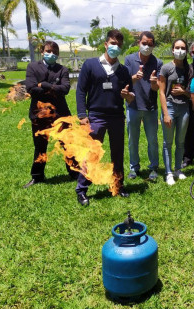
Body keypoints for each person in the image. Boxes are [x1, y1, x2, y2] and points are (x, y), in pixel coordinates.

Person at [75, 29, 135, 206]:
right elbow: (80, 91)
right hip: (96, 116)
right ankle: (82, 189)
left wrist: (127, 96)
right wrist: (82, 115)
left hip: (117, 117)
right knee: (92, 154)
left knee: (118, 154)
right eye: (112, 43)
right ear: (106, 44)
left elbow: (131, 97)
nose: (115, 47)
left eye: (118, 44)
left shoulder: (124, 71)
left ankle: (118, 186)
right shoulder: (90, 65)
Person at [24, 40, 76, 188]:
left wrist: (44, 85)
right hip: (40, 115)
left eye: (54, 52)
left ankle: (74, 172)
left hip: (60, 114)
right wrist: (54, 88)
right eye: (48, 51)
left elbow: (65, 90)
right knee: (40, 147)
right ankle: (37, 176)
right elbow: (31, 89)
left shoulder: (63, 70)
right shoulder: (32, 67)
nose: (51, 54)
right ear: (42, 52)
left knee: (68, 145)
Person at [124, 31, 163, 180]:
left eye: (150, 44)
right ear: (138, 43)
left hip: (150, 107)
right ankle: (134, 168)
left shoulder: (157, 62)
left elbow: (156, 87)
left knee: (152, 140)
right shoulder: (129, 60)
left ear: (153, 45)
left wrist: (154, 82)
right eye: (144, 43)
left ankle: (153, 167)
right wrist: (135, 77)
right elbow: (126, 83)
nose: (147, 46)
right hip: (133, 106)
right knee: (133, 140)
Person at [159, 39, 192, 185]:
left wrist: (184, 92)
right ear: (172, 50)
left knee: (180, 141)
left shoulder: (189, 69)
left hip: (184, 107)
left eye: (183, 48)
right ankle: (168, 172)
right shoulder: (166, 68)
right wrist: (165, 114)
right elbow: (161, 92)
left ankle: (178, 169)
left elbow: (193, 92)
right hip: (170, 106)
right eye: (177, 48)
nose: (180, 50)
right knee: (168, 142)